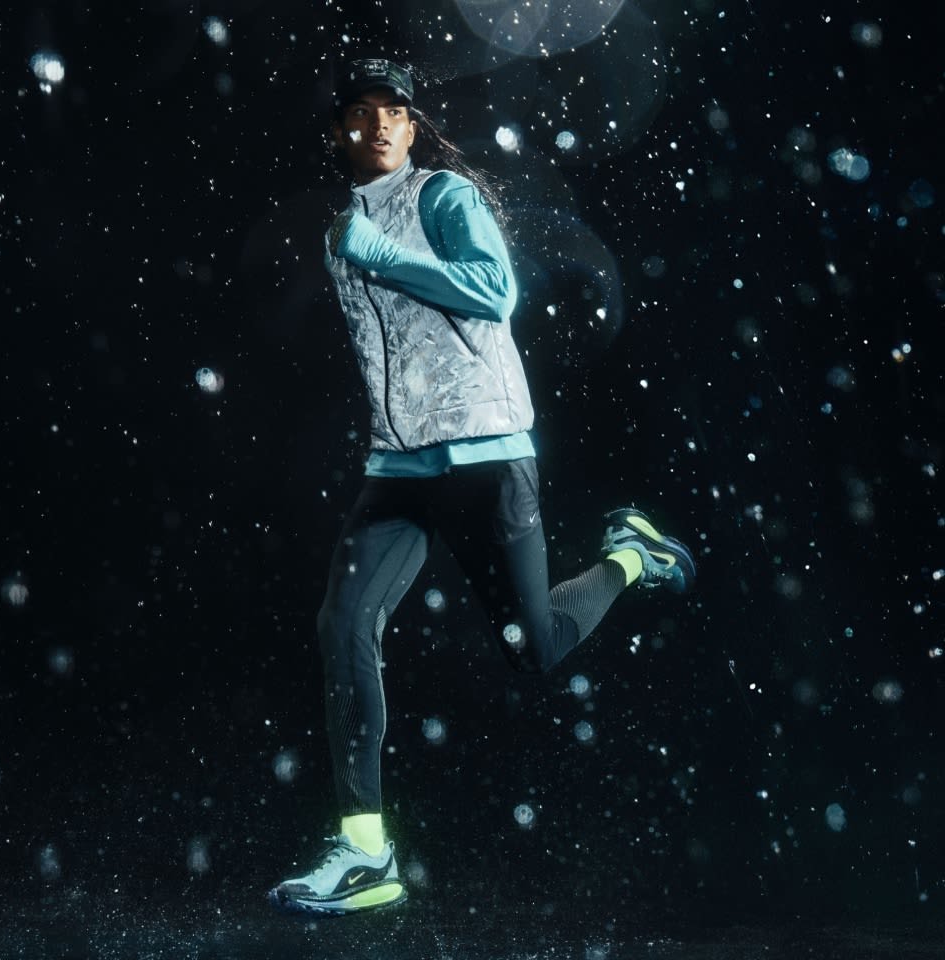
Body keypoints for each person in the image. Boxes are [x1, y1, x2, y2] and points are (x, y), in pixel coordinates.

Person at [268, 58, 695, 916]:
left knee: (535, 650)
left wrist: (385, 255)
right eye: (362, 112)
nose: (382, 124)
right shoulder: (338, 230)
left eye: (397, 112)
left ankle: (629, 559)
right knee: (343, 627)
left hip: (486, 457)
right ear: (339, 131)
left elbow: (494, 294)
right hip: (398, 468)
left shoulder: (443, 200)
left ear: (414, 129)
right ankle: (365, 853)